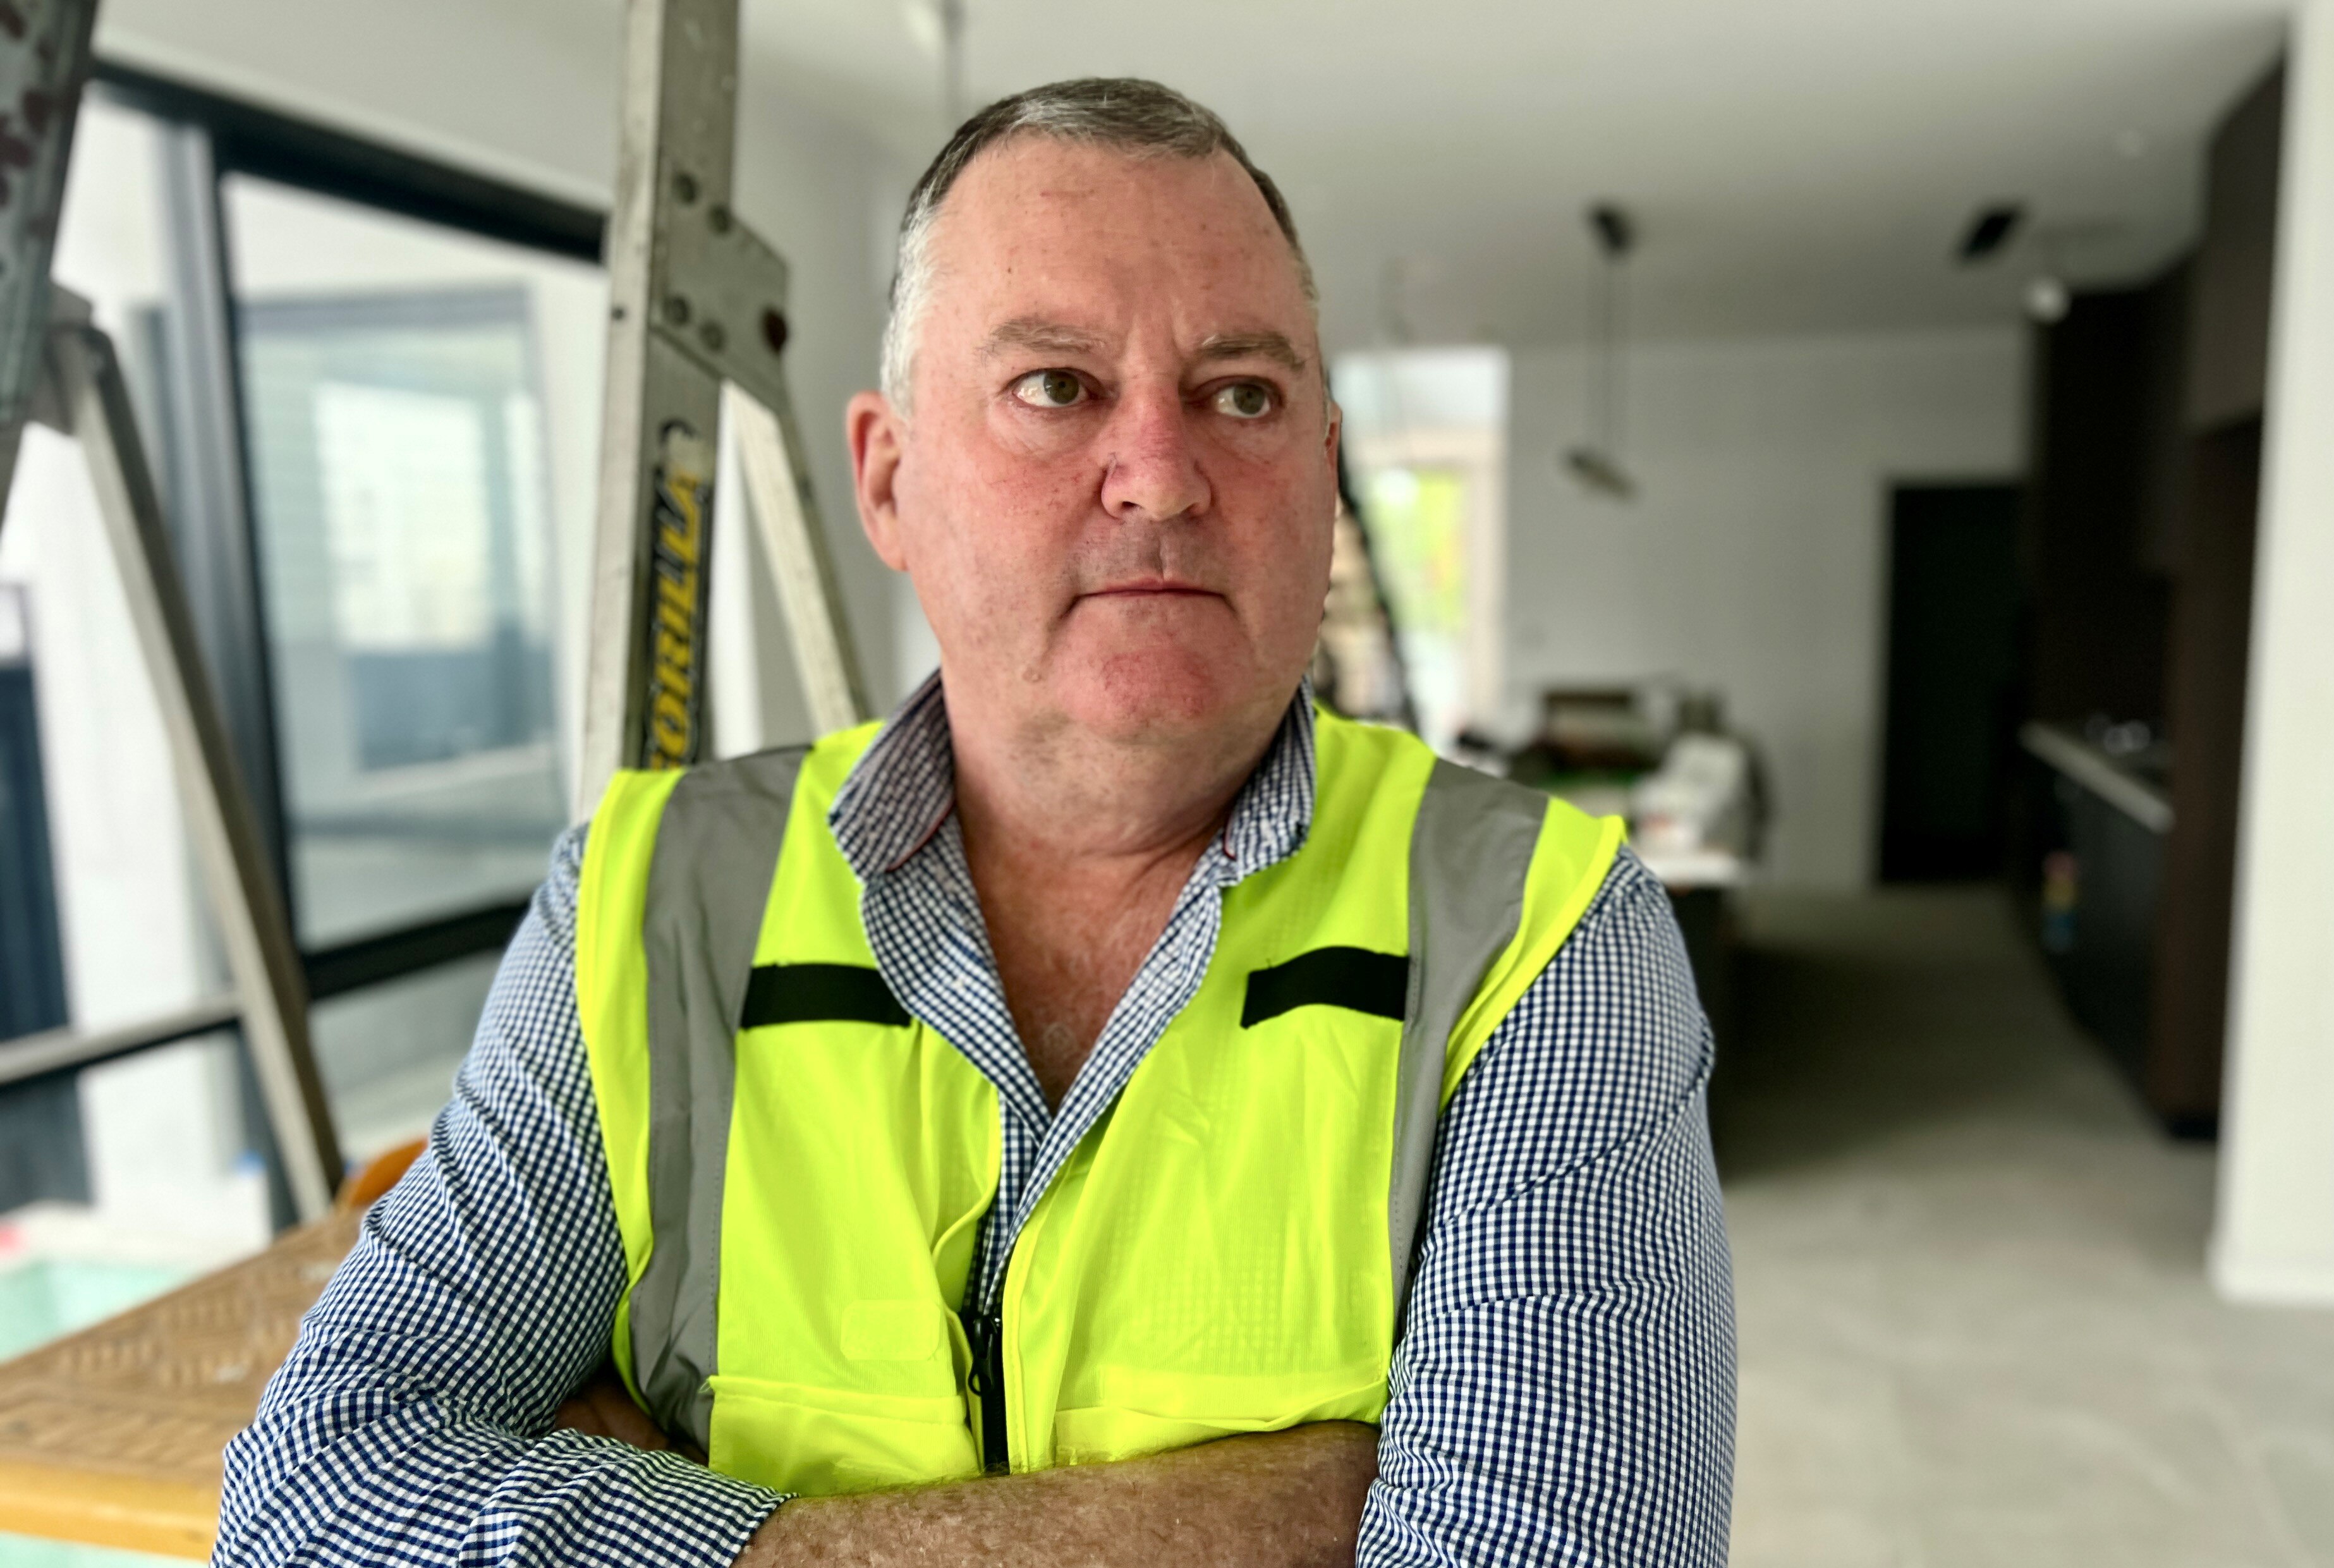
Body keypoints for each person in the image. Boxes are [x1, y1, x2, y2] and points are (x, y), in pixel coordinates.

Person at [214, 78, 1735, 1567]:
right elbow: (316, 1500)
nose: (1160, 473)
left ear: (1321, 477)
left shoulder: (1544, 930)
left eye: (1244, 393)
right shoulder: (646, 895)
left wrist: (661, 1506)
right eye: (1056, 385)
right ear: (889, 477)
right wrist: (1251, 1513)